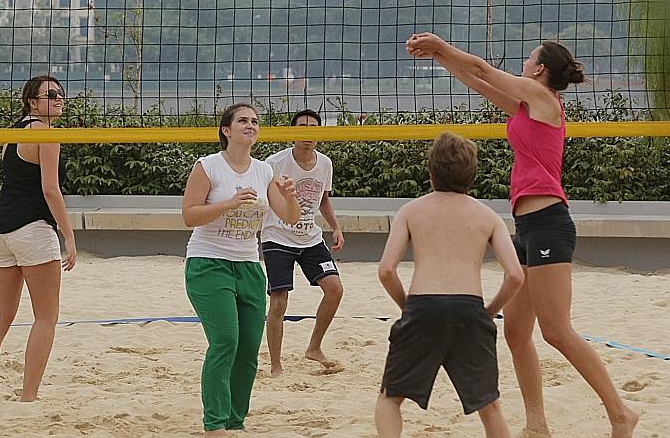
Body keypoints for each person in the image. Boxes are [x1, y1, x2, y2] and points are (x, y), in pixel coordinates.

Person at [406, 35, 640, 438]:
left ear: (540, 70)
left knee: (557, 331)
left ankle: (620, 412)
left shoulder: (543, 98)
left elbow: (482, 68)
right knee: (516, 332)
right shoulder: (527, 107)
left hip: (550, 221)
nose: (522, 64)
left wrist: (442, 45)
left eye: (528, 59)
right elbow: (479, 83)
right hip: (528, 227)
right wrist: (441, 59)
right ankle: (537, 425)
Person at [375, 131, 525, 438]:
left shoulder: (410, 211)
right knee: (489, 406)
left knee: (390, 398)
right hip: (470, 309)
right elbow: (515, 276)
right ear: (472, 175)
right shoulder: (488, 216)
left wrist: (408, 307)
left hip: (422, 305)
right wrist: (490, 311)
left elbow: (387, 270)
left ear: (430, 173)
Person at [181, 102, 300, 433]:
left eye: (255, 121)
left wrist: (290, 197)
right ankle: (215, 423)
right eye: (243, 121)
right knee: (225, 342)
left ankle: (235, 422)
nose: (251, 125)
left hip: (248, 265)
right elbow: (189, 215)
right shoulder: (208, 167)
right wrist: (228, 204)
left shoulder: (264, 171)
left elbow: (290, 217)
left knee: (248, 350)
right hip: (208, 263)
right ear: (226, 130)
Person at [0, 74, 77, 404]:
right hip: (31, 228)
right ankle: (28, 396)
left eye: (60, 93)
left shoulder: (12, 133)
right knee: (46, 317)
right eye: (50, 94)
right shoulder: (46, 134)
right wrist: (69, 236)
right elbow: (49, 190)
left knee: (0, 317)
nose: (59, 98)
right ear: (32, 101)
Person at [261, 107, 346, 375]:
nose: (307, 133)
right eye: (302, 128)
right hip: (278, 237)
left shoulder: (325, 163)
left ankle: (314, 347)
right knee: (279, 301)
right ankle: (276, 366)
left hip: (310, 238)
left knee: (335, 289)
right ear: (292, 133)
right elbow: (266, 200)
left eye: (313, 128)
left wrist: (335, 227)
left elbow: (323, 199)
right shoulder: (275, 163)